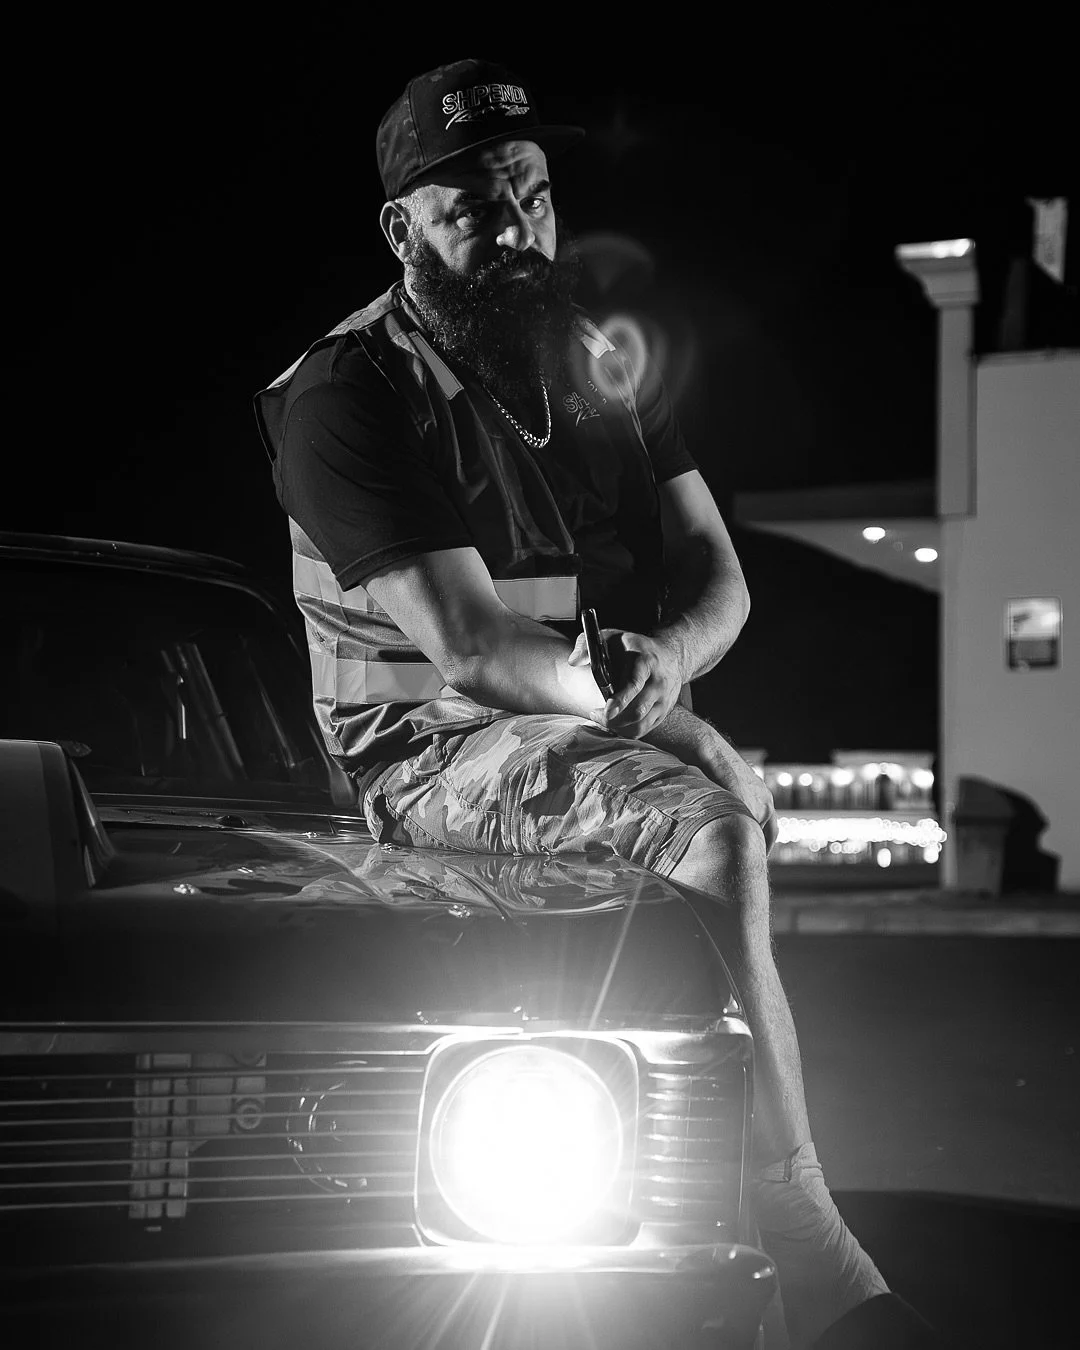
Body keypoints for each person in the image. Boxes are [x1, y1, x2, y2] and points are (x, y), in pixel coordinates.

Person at [255, 58, 942, 1350]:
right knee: (714, 825)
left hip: (563, 712)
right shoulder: (344, 391)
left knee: (730, 790)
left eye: (534, 193)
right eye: (475, 206)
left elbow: (718, 577)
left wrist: (669, 665)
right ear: (404, 231)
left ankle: (676, 1173)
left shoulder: (596, 365)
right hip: (419, 745)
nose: (516, 229)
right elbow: (466, 649)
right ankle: (800, 1226)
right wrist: (643, 705)